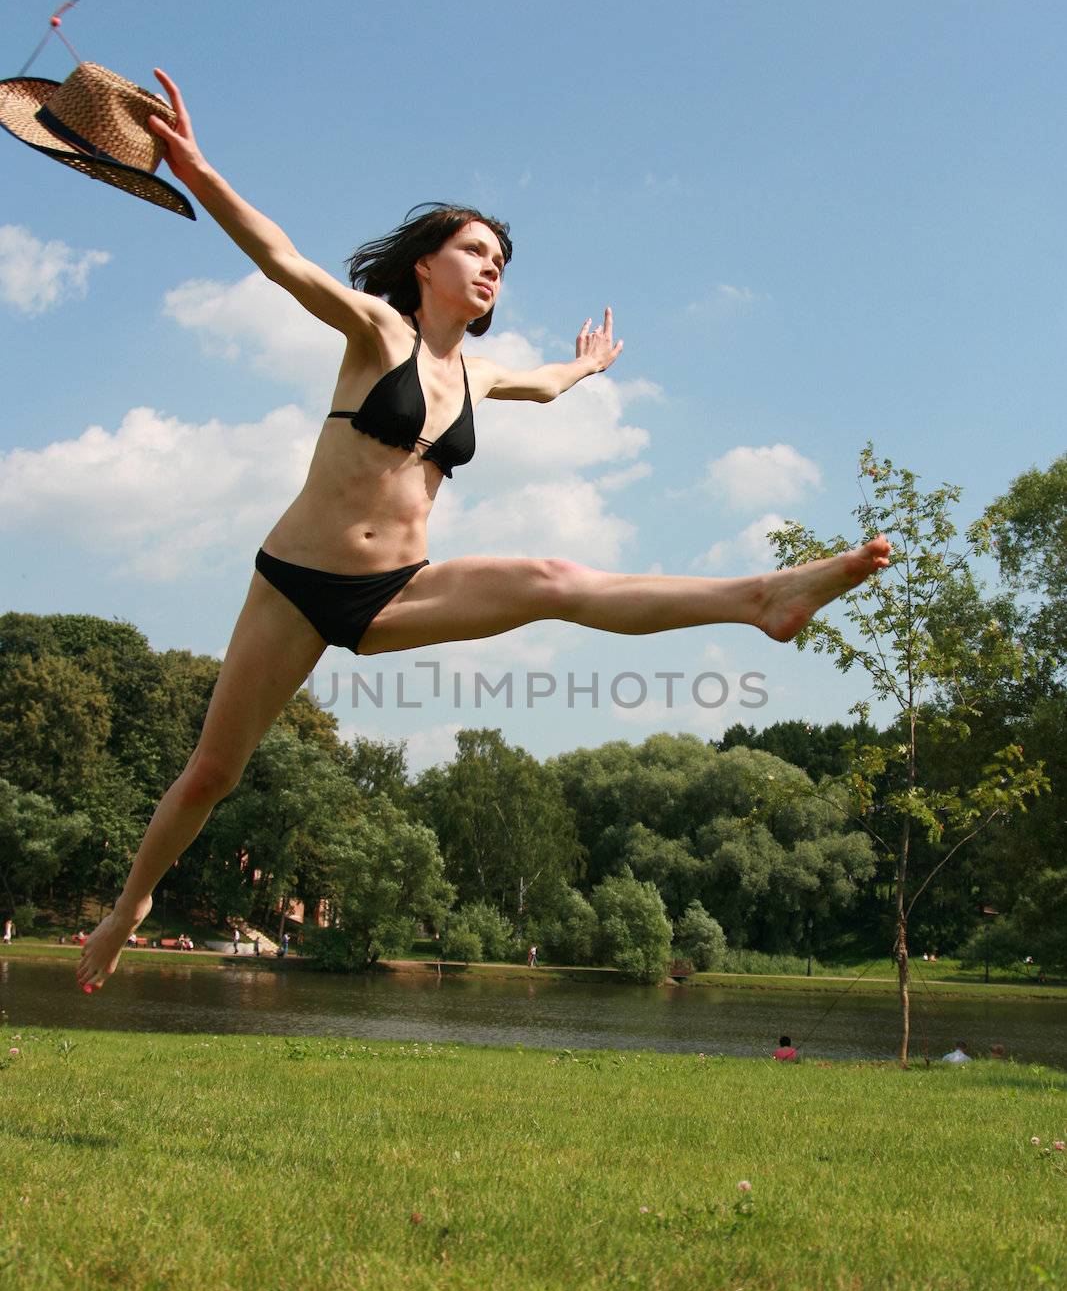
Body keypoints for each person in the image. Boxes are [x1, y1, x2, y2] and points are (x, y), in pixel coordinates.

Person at [75, 67, 890, 992]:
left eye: (501, 256)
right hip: (297, 583)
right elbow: (282, 260)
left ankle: (763, 598)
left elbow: (538, 385)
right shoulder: (377, 333)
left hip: (398, 591)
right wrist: (199, 170)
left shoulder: (481, 373)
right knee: (213, 773)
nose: (492, 263)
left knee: (549, 578)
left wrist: (585, 368)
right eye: (474, 247)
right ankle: (129, 905)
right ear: (426, 265)